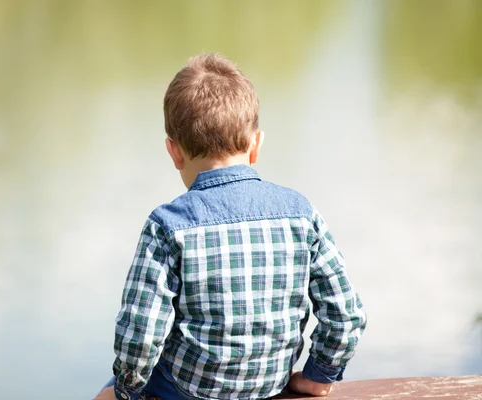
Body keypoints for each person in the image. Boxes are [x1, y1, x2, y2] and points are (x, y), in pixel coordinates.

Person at [94, 53, 367, 400]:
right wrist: (319, 374)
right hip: (270, 385)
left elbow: (141, 335)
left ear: (174, 153)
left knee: (107, 394)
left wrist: (126, 390)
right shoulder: (302, 214)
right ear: (256, 145)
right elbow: (346, 315)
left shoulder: (167, 226)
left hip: (186, 390)